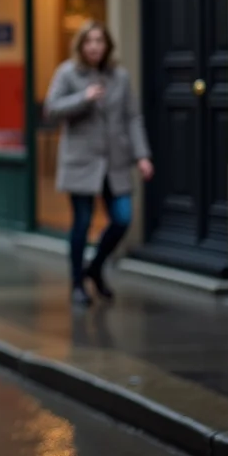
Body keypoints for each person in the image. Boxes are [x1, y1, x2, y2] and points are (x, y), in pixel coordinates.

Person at [44, 20, 153, 306]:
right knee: (81, 222)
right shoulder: (68, 73)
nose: (94, 46)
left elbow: (133, 117)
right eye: (89, 41)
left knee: (122, 218)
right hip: (81, 161)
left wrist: (142, 156)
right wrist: (84, 97)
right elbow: (51, 109)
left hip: (115, 161)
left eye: (99, 41)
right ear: (81, 45)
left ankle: (95, 266)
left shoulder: (120, 76)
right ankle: (77, 283)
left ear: (107, 46)